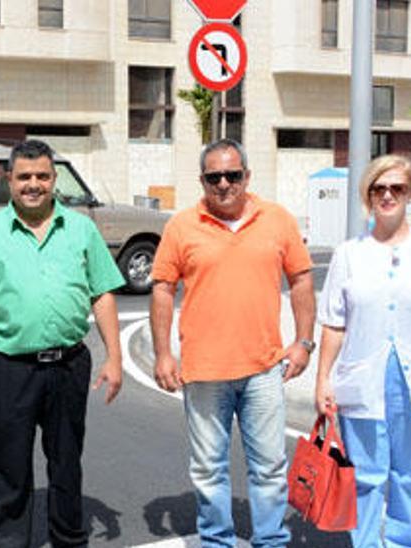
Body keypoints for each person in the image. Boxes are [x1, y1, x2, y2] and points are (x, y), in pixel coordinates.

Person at [0, 139, 125, 547]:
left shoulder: (81, 228)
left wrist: (114, 357)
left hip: (68, 366)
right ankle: (9, 542)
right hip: (10, 368)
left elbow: (102, 294)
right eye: (24, 176)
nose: (34, 184)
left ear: (54, 179)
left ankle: (68, 539)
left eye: (42, 176)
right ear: (8, 179)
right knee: (8, 467)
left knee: (66, 464)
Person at [149, 139, 316, 547]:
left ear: (247, 176)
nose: (224, 184)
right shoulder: (181, 225)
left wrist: (304, 342)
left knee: (270, 468)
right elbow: (162, 289)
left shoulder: (276, 219)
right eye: (214, 177)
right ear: (202, 180)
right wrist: (163, 354)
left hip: (264, 369)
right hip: (204, 372)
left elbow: (301, 280)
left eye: (232, 175)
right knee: (208, 469)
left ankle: (270, 541)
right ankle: (217, 541)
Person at [314, 155, 411, 548]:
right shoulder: (348, 254)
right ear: (367, 195)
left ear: (409, 193)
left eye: (397, 188)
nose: (387, 195)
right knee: (367, 477)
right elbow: (334, 323)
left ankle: (404, 542)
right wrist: (322, 379)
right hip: (362, 380)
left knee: (409, 475)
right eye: (378, 188)